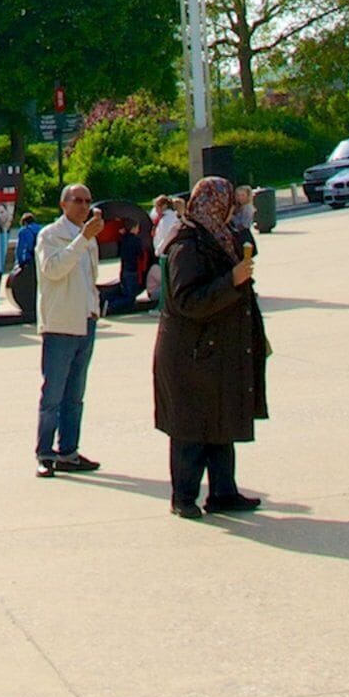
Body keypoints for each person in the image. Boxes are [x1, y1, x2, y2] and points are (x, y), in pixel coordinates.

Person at [153, 176, 268, 519]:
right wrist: (230, 280)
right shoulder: (187, 244)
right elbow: (187, 300)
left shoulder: (217, 237)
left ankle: (223, 491)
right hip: (191, 353)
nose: (231, 209)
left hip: (216, 349)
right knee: (191, 426)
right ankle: (183, 496)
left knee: (222, 418)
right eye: (227, 203)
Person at [30, 183, 102, 474]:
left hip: (85, 319)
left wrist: (95, 308)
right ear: (63, 204)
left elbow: (89, 277)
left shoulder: (90, 239)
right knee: (53, 394)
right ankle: (45, 454)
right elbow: (54, 269)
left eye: (87, 201)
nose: (84, 206)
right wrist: (82, 238)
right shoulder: (50, 235)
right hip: (60, 323)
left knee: (75, 393)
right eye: (77, 200)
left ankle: (69, 451)